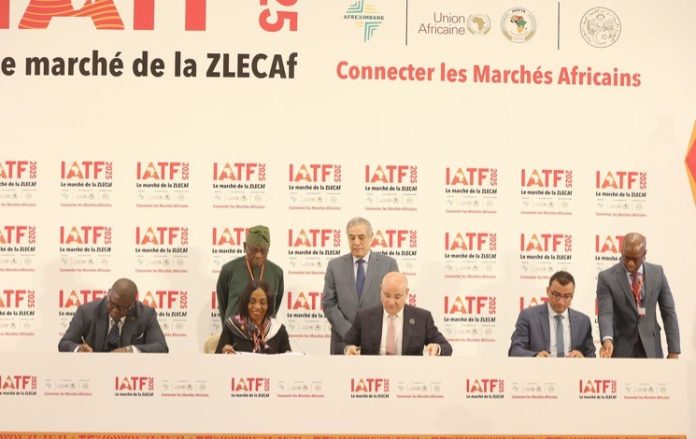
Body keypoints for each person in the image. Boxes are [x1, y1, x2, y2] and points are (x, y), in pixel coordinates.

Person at [322, 217, 399, 354]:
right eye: (352, 238)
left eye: (361, 237)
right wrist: (350, 332)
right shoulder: (334, 266)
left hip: (378, 342)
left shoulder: (388, 265)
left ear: (371, 237)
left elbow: (394, 302)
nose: (356, 242)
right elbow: (328, 303)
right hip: (343, 342)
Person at [596, 232, 680, 358]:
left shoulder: (657, 273)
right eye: (626, 258)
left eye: (635, 259)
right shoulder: (606, 278)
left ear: (644, 254)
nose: (630, 263)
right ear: (621, 252)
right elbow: (605, 313)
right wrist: (607, 339)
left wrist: (673, 350)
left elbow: (668, 312)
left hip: (652, 348)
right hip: (621, 349)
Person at [343, 272, 452, 356]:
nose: (391, 302)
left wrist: (436, 348)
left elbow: (446, 347)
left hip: (408, 374)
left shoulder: (422, 318)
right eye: (387, 295)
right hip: (372, 374)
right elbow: (341, 345)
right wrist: (348, 349)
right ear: (381, 290)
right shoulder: (364, 317)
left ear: (406, 293)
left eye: (397, 297)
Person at [58, 278, 168, 353]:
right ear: (109, 293)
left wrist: (130, 350)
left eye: (122, 308)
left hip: (130, 370)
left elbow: (161, 347)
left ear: (132, 304)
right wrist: (78, 349)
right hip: (92, 370)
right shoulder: (87, 311)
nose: (115, 310)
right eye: (112, 303)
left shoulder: (146, 314)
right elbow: (64, 343)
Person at [509, 271, 595, 358]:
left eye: (566, 296)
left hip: (573, 367)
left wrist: (582, 358)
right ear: (548, 291)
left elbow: (591, 355)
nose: (561, 301)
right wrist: (535, 356)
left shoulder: (583, 321)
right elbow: (515, 350)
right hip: (539, 366)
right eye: (556, 295)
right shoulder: (528, 316)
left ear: (572, 295)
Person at [216, 225, 284, 324]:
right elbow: (223, 305)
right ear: (245, 246)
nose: (258, 255)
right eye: (253, 250)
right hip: (235, 332)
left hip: (264, 333)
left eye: (263, 250)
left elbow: (274, 307)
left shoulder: (277, 273)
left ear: (268, 248)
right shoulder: (229, 270)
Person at [215, 280, 291, 354]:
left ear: (268, 305)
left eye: (263, 302)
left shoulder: (278, 330)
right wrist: (224, 352)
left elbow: (289, 359)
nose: (257, 307)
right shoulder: (232, 326)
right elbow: (217, 358)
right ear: (246, 302)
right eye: (252, 302)